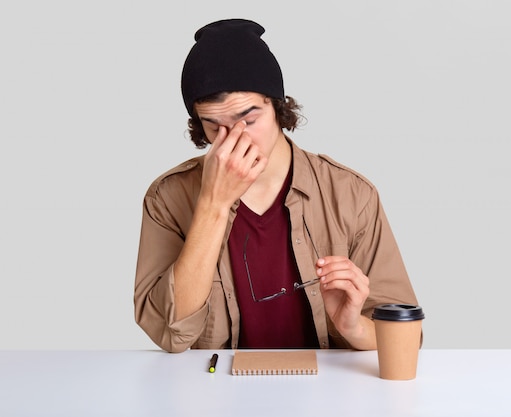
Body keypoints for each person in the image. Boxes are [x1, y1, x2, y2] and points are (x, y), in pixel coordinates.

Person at [134, 18, 419, 353]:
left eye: (249, 120)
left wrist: (352, 326)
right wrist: (214, 203)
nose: (234, 138)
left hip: (328, 399)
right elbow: (170, 333)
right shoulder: (167, 198)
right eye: (213, 126)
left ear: (278, 106)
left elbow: (406, 340)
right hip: (217, 397)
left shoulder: (351, 194)